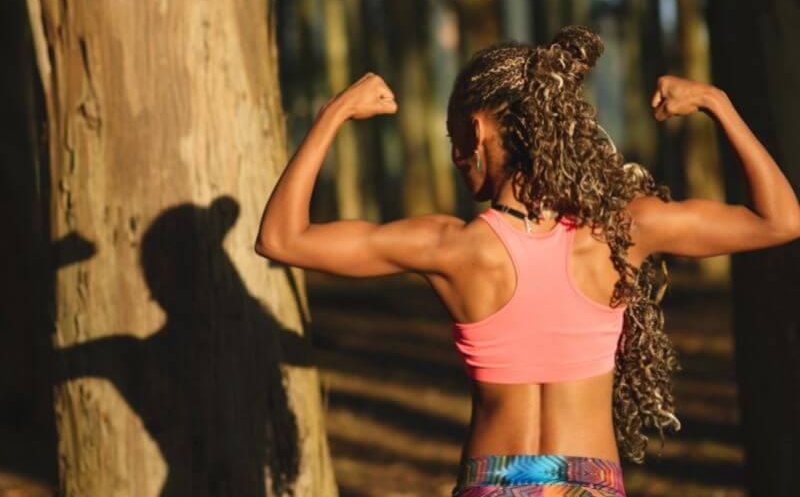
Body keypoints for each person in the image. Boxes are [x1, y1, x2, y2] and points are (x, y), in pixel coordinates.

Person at [254, 25, 800, 496]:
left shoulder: (453, 248)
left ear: (476, 129)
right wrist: (716, 104)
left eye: (454, 137)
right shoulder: (620, 232)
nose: (454, 157)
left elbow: (282, 238)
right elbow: (779, 219)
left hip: (491, 482)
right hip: (588, 482)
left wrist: (333, 114)